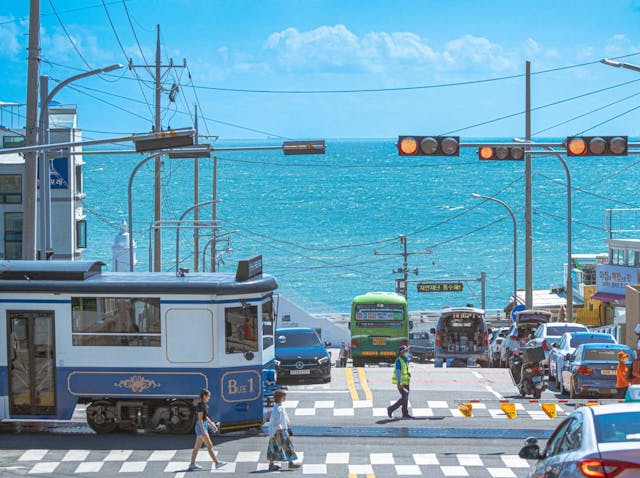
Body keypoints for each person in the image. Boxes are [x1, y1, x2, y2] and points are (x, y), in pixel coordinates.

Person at [188, 389, 226, 471]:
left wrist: (212, 425)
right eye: (209, 396)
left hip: (202, 426)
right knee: (209, 445)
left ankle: (192, 464)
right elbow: (200, 419)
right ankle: (217, 463)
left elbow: (206, 417)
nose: (209, 397)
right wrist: (202, 431)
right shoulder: (200, 406)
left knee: (197, 447)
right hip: (201, 427)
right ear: (204, 396)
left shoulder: (203, 405)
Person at [267, 389, 300, 471]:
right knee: (286, 446)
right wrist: (279, 431)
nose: (285, 398)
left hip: (277, 431)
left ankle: (272, 464)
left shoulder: (278, 407)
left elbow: (283, 419)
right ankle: (290, 463)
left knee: (275, 447)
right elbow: (277, 421)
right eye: (284, 396)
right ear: (280, 398)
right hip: (279, 431)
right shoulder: (279, 408)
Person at [387, 345, 412, 419]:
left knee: (406, 398)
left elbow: (404, 369)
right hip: (401, 383)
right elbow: (398, 372)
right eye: (405, 351)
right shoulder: (399, 360)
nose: (407, 352)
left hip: (406, 382)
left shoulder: (405, 359)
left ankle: (405, 413)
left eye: (407, 351)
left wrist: (408, 373)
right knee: (404, 397)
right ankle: (391, 409)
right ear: (401, 353)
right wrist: (399, 383)